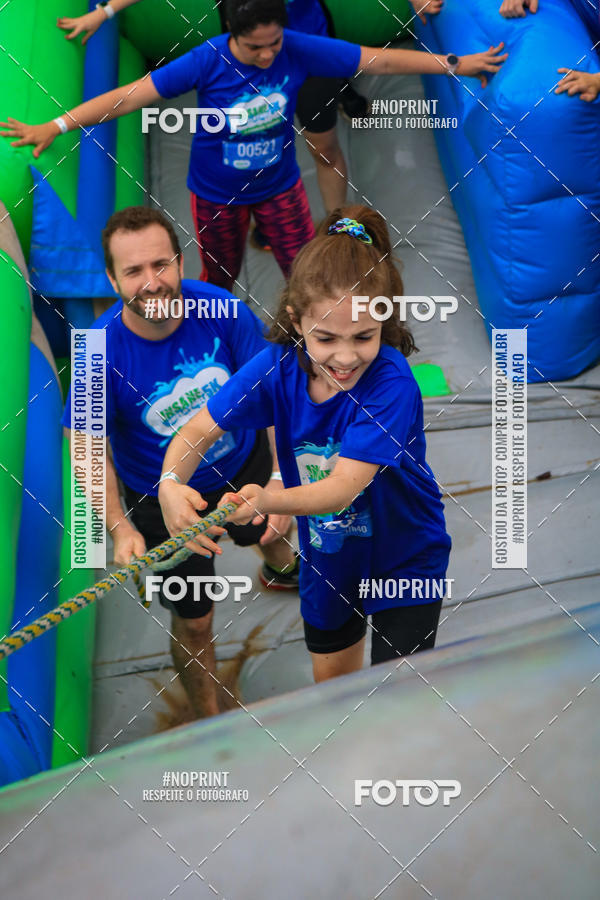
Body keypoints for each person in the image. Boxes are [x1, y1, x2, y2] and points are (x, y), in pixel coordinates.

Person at [2, 0, 507, 291]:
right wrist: (57, 125)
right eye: (254, 47)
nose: (268, 55)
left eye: (274, 43)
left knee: (307, 274)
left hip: (279, 188)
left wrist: (457, 63)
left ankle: (309, 343)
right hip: (217, 194)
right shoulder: (206, 60)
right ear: (231, 35)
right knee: (220, 279)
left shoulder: (299, 46)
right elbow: (128, 97)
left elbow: (381, 61)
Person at [158, 205, 452, 683]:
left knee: (400, 701)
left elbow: (341, 489)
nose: (345, 356)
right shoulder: (277, 367)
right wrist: (171, 484)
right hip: (332, 554)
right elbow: (197, 430)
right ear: (296, 322)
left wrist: (267, 498)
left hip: (405, 555)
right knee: (334, 695)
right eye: (326, 337)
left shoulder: (391, 382)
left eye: (364, 337)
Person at [61, 206, 297, 718]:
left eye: (160, 265)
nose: (152, 282)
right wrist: (121, 529)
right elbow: (85, 446)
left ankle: (282, 570)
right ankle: (208, 720)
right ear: (112, 278)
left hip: (245, 463)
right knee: (194, 623)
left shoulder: (225, 313)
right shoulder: (97, 353)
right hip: (160, 501)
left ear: (181, 261)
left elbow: (275, 393)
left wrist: (282, 477)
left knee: (276, 534)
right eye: (134, 271)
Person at [57, 0, 368, 217]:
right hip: (249, 68)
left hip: (310, 59)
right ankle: (266, 206)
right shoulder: (230, 52)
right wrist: (104, 12)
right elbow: (134, 94)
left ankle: (334, 219)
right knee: (251, 141)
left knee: (324, 148)